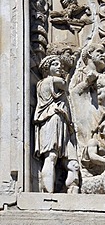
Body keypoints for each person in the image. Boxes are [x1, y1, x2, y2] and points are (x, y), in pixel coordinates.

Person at [34, 55, 79, 193]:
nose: (59, 66)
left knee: (68, 161)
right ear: (47, 69)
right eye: (55, 64)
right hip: (51, 120)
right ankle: (48, 194)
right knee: (51, 156)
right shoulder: (50, 81)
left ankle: (68, 189)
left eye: (60, 64)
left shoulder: (47, 82)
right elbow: (65, 84)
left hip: (60, 121)